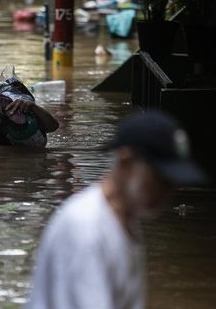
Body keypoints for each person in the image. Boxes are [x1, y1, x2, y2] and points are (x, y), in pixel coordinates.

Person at [26, 111, 206, 309]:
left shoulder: (124, 218)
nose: (168, 193)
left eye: (173, 183)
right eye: (161, 180)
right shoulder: (87, 228)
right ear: (126, 162)